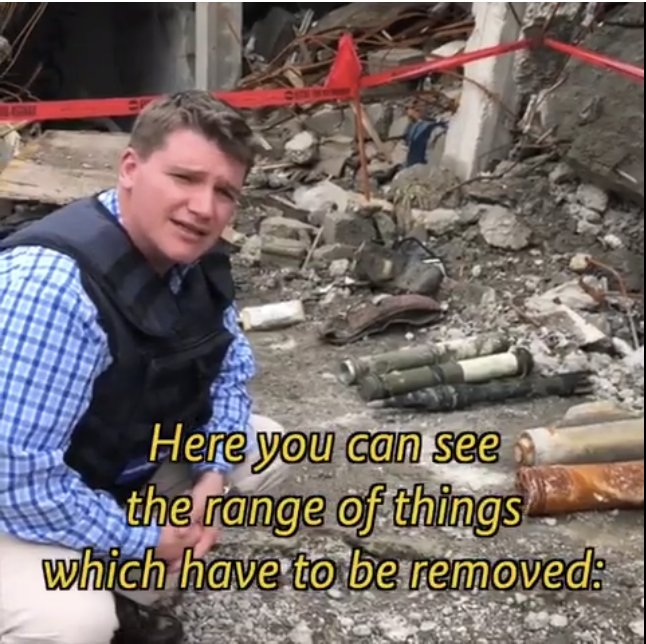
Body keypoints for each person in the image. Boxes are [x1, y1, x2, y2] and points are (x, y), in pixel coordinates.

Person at [0, 90, 288, 644]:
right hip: (12, 494)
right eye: (185, 178)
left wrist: (211, 475)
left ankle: (120, 588)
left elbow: (229, 374)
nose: (204, 208)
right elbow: (14, 479)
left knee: (266, 449)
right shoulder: (51, 287)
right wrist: (143, 539)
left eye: (224, 192)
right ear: (130, 168)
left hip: (99, 464)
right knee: (70, 623)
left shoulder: (193, 263)